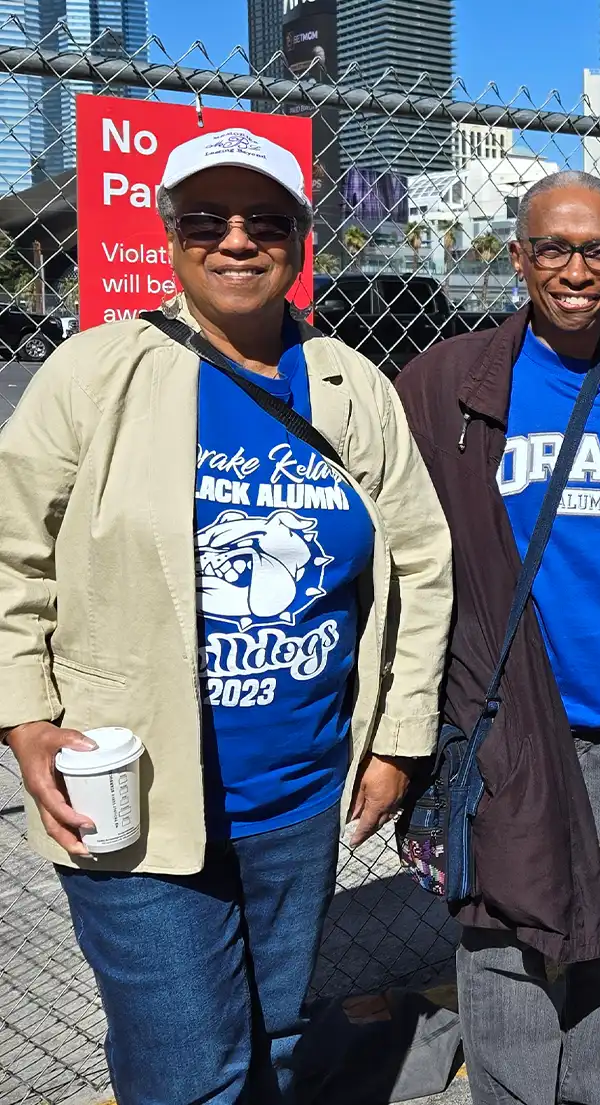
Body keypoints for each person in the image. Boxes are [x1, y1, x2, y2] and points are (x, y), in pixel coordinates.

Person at [0, 128, 453, 1104]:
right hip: (134, 802)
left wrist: (396, 738)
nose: (236, 240)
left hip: (294, 799)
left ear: (298, 236)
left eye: (264, 220)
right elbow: (11, 550)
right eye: (207, 219)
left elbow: (420, 558)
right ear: (170, 233)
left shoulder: (348, 387)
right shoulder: (95, 375)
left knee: (273, 1036)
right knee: (190, 1071)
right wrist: (23, 714)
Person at [395, 170, 600, 1105]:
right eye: (552, 248)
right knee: (501, 941)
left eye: (597, 249)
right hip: (504, 722)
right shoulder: (444, 383)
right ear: (518, 256)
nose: (574, 269)